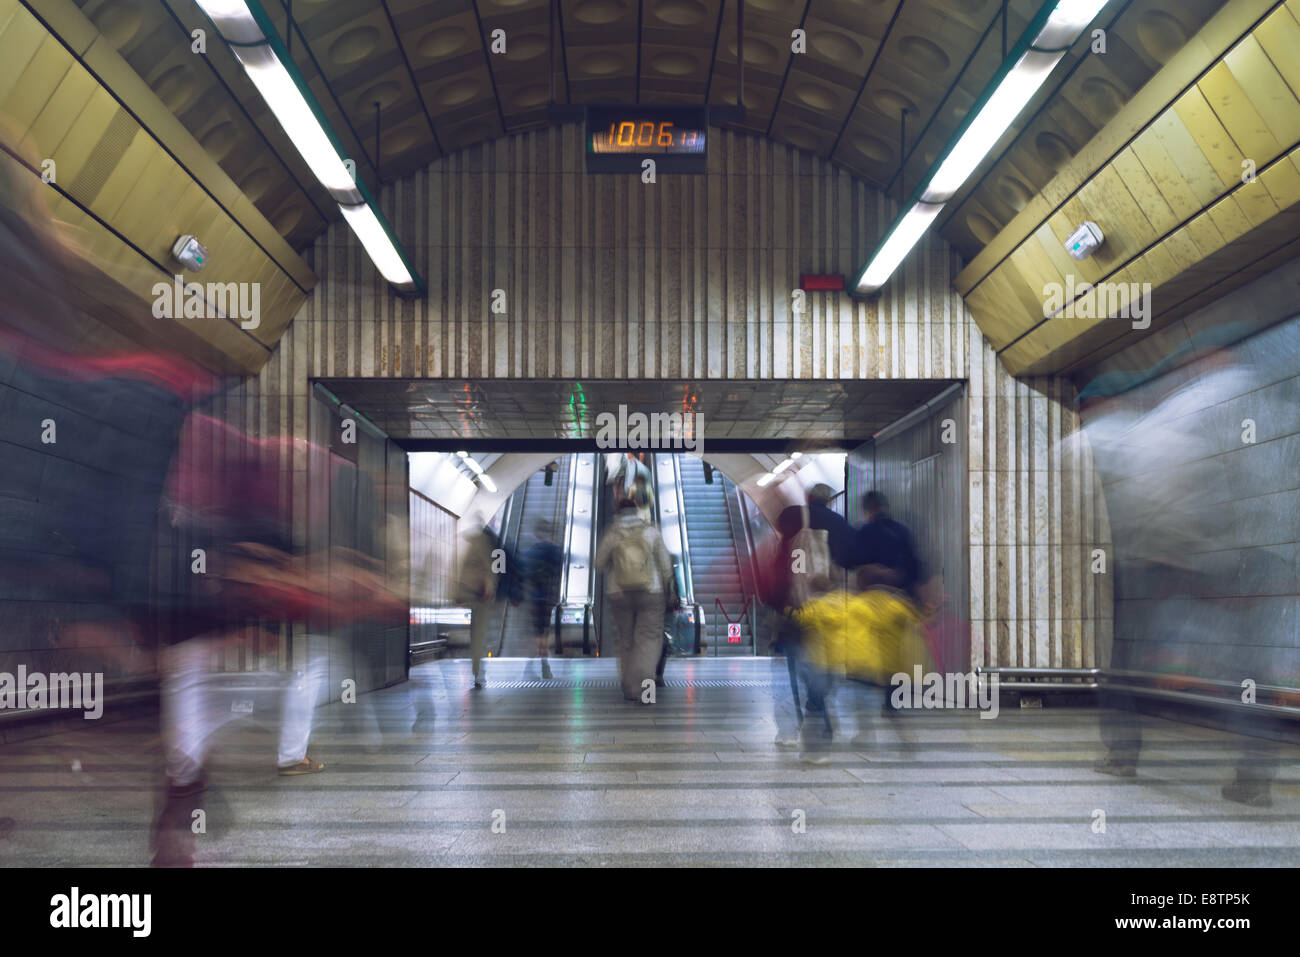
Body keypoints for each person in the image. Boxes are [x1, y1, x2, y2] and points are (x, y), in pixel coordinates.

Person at [595, 497, 674, 702]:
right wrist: (670, 589)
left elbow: (598, 563)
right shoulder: (651, 531)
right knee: (649, 639)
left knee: (625, 640)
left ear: (618, 512)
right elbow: (666, 567)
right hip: (651, 592)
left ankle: (629, 687)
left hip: (618, 593)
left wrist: (615, 563)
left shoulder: (612, 533)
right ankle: (644, 689)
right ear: (637, 511)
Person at [455, 519, 500, 689]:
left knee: (476, 632)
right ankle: (478, 671)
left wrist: (459, 593)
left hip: (470, 592)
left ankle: (477, 669)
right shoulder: (487, 543)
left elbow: (464, 570)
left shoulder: (470, 543)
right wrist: (491, 586)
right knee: (479, 632)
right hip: (481, 594)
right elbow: (492, 568)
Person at [853, 491, 922, 597]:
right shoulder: (903, 530)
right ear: (886, 508)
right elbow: (914, 568)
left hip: (873, 596)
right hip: (902, 595)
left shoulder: (864, 532)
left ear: (867, 512)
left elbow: (856, 567)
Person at [522, 520, 564, 680]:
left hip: (534, 596)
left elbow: (523, 570)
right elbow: (562, 563)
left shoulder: (531, 551)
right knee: (545, 632)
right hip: (550, 596)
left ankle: (533, 664)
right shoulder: (554, 549)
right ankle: (544, 665)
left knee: (537, 631)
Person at [807, 484, 857, 573]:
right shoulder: (838, 520)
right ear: (828, 500)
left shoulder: (794, 513)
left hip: (798, 568)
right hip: (825, 571)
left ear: (809, 497)